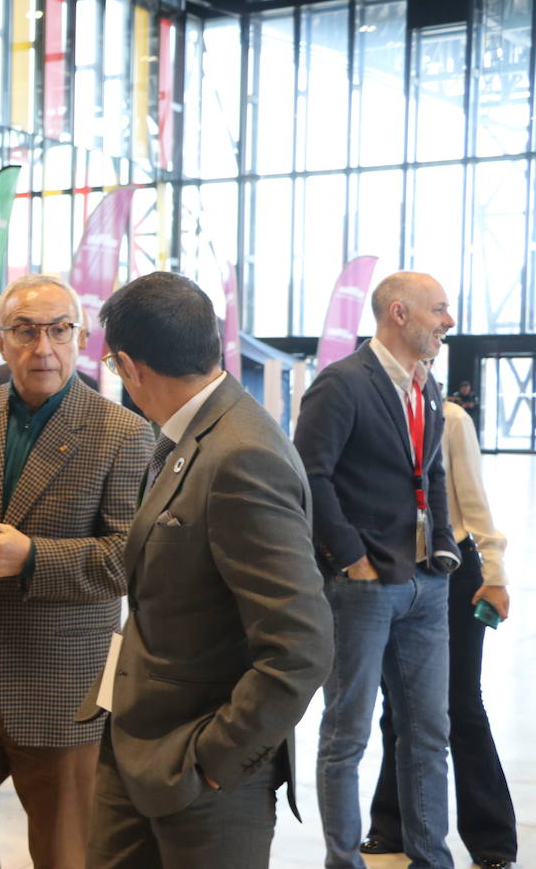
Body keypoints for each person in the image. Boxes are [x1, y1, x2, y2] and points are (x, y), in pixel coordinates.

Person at [82, 271, 334, 868]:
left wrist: (215, 761)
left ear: (129, 366)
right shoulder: (183, 435)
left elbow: (301, 645)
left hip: (202, 774)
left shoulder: (241, 454)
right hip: (135, 748)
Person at [0, 273, 152, 868]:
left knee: (67, 854)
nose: (43, 347)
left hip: (65, 689)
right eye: (25, 331)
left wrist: (31, 556)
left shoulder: (124, 433)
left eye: (60, 330)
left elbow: (128, 557)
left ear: (82, 338)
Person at [294, 271, 461, 869]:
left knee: (428, 734)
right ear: (399, 312)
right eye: (438, 310)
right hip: (361, 588)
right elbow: (310, 478)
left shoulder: (427, 385)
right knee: (348, 735)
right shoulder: (341, 386)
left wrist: (442, 547)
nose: (447, 321)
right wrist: (351, 559)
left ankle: (430, 858)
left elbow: (433, 472)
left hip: (426, 584)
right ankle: (345, 861)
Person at [361, 397, 516, 869]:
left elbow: (474, 501)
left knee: (462, 704)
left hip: (454, 572)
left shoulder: (450, 418)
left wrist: (496, 574)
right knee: (398, 703)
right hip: (393, 569)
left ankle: (492, 840)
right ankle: (391, 826)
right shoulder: (368, 412)